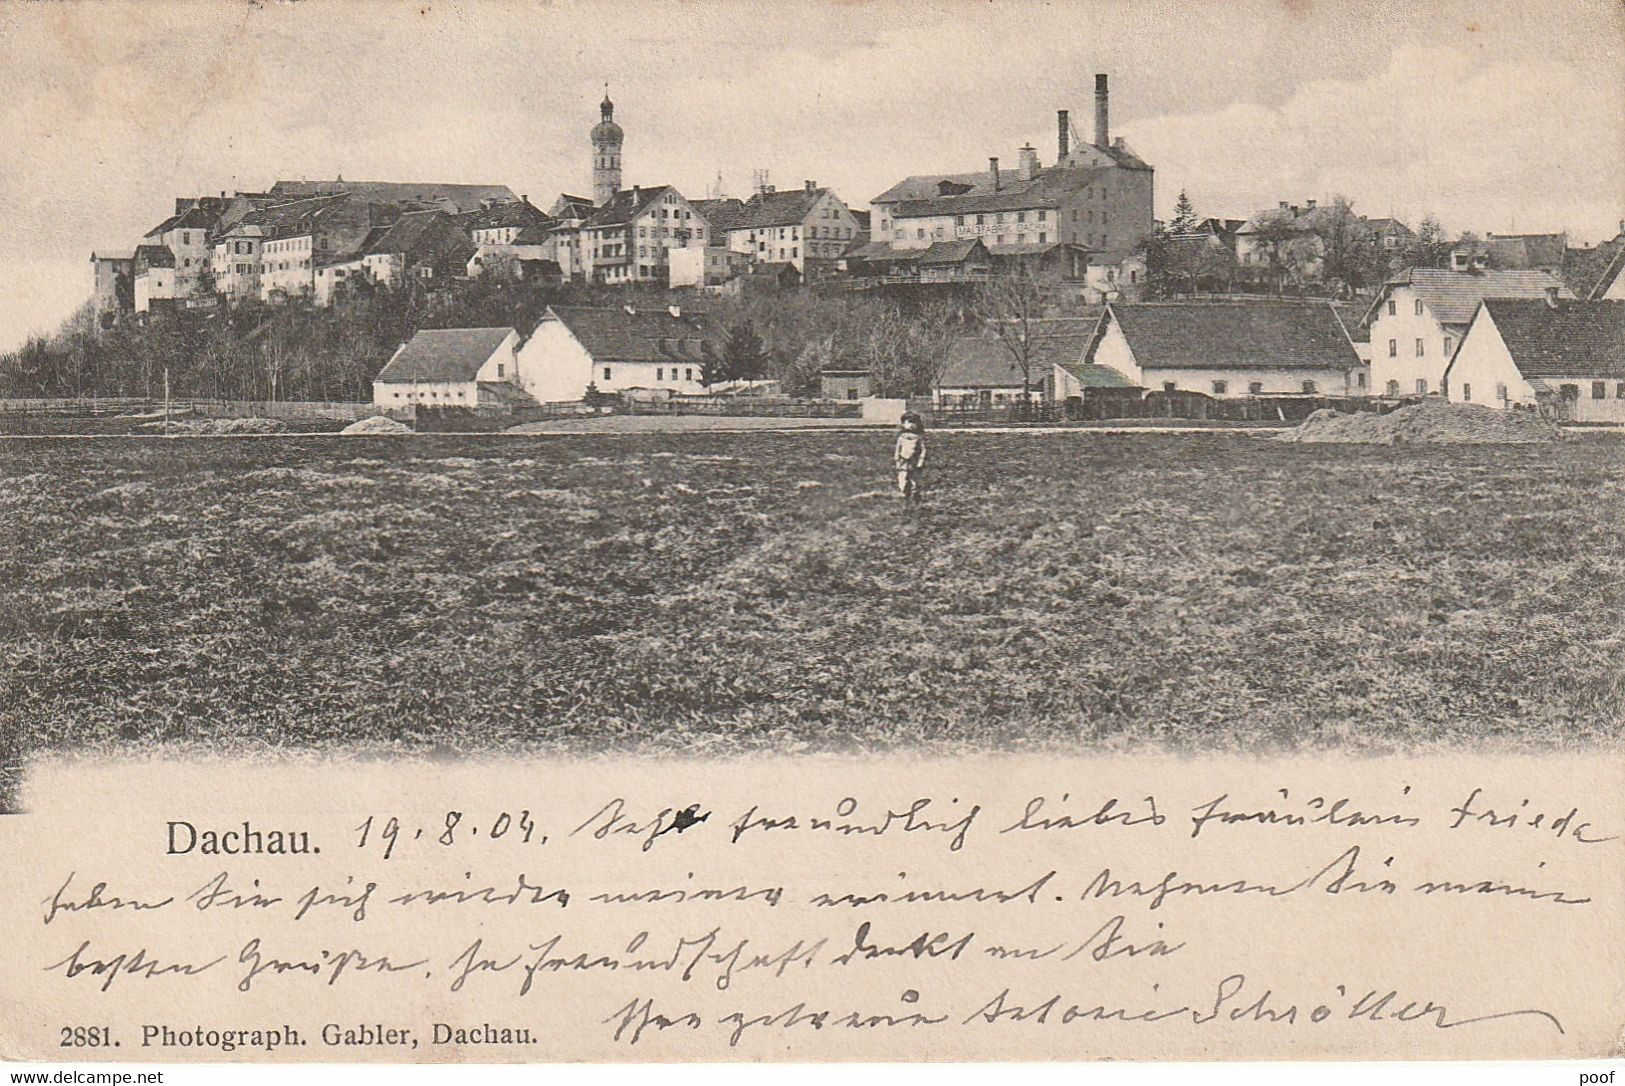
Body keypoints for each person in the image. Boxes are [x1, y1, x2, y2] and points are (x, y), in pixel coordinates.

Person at [893, 411, 927, 503]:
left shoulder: (918, 438)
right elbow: (897, 449)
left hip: (914, 461)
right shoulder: (901, 437)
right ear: (903, 424)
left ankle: (915, 493)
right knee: (903, 476)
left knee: (914, 479)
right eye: (908, 422)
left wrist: (921, 462)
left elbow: (923, 450)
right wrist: (897, 460)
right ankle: (904, 491)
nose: (911, 425)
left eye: (914, 422)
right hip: (903, 461)